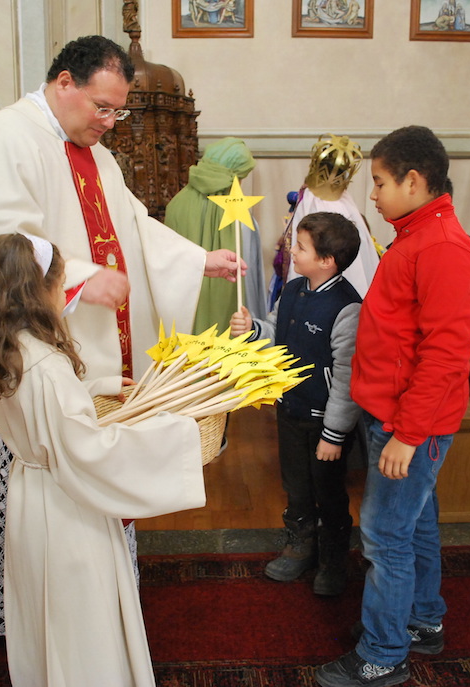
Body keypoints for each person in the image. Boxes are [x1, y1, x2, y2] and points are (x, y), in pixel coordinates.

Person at [0, 35, 240, 639]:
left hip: (83, 361)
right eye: (102, 107)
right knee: (21, 483)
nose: (110, 122)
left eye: (118, 111)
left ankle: (91, 597)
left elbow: (133, 226)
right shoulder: (5, 138)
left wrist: (198, 260)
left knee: (84, 478)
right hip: (20, 364)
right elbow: (0, 240)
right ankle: (15, 614)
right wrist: (80, 278)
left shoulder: (98, 156)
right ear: (64, 82)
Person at [0, 233, 205, 685]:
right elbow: (86, 452)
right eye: (62, 284)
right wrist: (176, 435)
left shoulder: (3, 348)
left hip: (29, 497)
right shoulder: (47, 366)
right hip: (65, 510)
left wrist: (97, 386)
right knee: (81, 623)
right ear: (40, 291)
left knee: (46, 615)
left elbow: (39, 414)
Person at [316, 126, 470, 687]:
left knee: (385, 537)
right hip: (392, 413)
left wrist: (408, 434)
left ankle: (383, 654)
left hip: (409, 423)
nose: (374, 194)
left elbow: (445, 352)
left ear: (414, 181)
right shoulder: (417, 235)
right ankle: (423, 619)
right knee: (415, 525)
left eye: (381, 182)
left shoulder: (441, 247)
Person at [230, 211, 362, 597]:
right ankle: (300, 544)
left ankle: (333, 557)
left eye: (300, 247)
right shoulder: (292, 289)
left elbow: (347, 379)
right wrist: (252, 329)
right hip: (290, 408)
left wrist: (334, 435)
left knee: (329, 491)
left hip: (326, 423)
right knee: (296, 486)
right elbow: (275, 330)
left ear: (327, 260)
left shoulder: (347, 307)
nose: (292, 251)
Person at [164, 137, 266, 333]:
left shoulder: (176, 204)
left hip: (182, 314)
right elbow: (249, 280)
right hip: (231, 325)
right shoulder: (240, 216)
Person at [281, 134, 379, 299]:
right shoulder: (311, 198)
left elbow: (354, 273)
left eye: (300, 247)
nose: (293, 250)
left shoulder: (319, 207)